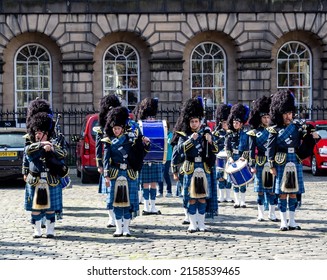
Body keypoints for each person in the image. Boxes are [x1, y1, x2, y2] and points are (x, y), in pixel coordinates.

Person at [267, 90, 319, 231]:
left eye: (290, 113)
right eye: (286, 114)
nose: (289, 116)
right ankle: (283, 221)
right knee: (283, 192)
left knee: (294, 192)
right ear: (279, 114)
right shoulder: (274, 130)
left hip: (294, 160)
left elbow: (306, 136)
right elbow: (269, 149)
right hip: (281, 161)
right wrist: (271, 165)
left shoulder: (296, 128)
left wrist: (311, 133)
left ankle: (292, 221)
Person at [102, 106, 150, 237]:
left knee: (128, 202)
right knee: (117, 202)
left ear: (122, 128)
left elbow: (140, 154)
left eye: (118, 128)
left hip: (129, 173)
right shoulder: (108, 141)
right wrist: (106, 175)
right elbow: (106, 159)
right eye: (114, 128)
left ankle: (126, 228)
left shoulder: (131, 139)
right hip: (115, 172)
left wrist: (145, 143)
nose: (116, 130)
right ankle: (118, 228)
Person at [176, 97, 218, 232]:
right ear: (188, 123)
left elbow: (216, 150)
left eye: (196, 121)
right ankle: (192, 224)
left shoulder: (206, 134)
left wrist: (210, 141)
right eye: (192, 122)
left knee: (203, 198)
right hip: (190, 168)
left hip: (203, 168)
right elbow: (179, 150)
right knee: (191, 198)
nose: (194, 124)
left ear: (200, 122)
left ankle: (202, 223)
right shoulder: (183, 135)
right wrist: (190, 141)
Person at [24, 110, 68, 238]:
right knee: (35, 208)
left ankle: (50, 230)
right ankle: (37, 231)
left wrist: (52, 148)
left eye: (40, 133)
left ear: (46, 133)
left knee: (51, 208)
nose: (37, 135)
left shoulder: (55, 143)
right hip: (35, 180)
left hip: (51, 179)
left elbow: (63, 154)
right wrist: (42, 144)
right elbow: (28, 151)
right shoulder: (32, 145)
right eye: (36, 132)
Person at [247, 96, 279, 222]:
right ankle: (260, 213)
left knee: (271, 190)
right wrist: (252, 165)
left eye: (268, 117)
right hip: (260, 161)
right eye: (264, 117)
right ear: (260, 118)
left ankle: (272, 213)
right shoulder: (254, 132)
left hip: (271, 161)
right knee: (260, 190)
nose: (266, 119)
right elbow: (251, 150)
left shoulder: (274, 130)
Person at [94, 94, 121, 228]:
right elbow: (99, 146)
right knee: (110, 194)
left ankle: (120, 217)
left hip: (120, 163)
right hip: (107, 164)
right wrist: (99, 164)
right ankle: (111, 218)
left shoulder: (121, 127)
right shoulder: (102, 128)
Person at [137, 97, 164, 215]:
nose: (151, 119)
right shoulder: (139, 127)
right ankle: (146, 206)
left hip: (155, 158)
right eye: (149, 117)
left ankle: (153, 206)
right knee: (145, 184)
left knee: (153, 183)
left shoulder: (159, 126)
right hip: (143, 159)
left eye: (152, 117)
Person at [225, 103, 251, 208]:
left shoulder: (246, 134)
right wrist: (230, 157)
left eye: (237, 123)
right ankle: (236, 201)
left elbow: (248, 147)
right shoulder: (229, 134)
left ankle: (243, 201)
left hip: (242, 157)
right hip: (233, 158)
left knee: (243, 182)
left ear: (241, 124)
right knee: (235, 181)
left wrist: (244, 157)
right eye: (234, 122)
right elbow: (227, 147)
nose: (235, 124)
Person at [212, 104, 232, 203]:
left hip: (229, 157)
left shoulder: (231, 133)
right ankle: (221, 196)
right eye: (224, 122)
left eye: (227, 122)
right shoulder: (216, 133)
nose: (226, 124)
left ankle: (228, 196)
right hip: (219, 157)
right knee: (220, 177)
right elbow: (214, 146)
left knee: (229, 176)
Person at [158, 121, 173, 197]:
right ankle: (160, 192)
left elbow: (169, 143)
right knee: (160, 174)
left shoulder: (170, 134)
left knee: (165, 173)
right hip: (160, 157)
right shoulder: (160, 134)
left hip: (167, 157)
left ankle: (169, 191)